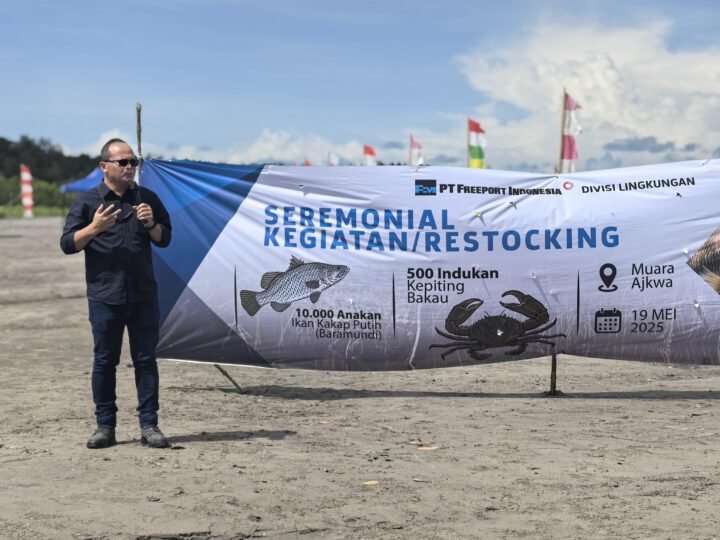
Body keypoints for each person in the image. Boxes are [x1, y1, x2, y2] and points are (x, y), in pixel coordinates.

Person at [60, 138, 172, 449]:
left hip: (143, 294)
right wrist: (94, 227)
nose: (129, 167)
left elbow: (165, 238)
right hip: (105, 296)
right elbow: (67, 244)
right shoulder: (87, 202)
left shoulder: (147, 198)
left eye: (133, 162)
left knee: (146, 361)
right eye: (122, 162)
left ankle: (149, 425)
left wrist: (151, 223)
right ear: (104, 166)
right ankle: (105, 427)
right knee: (104, 362)